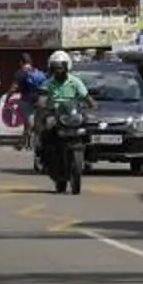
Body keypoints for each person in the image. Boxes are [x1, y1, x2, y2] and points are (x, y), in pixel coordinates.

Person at [37, 50, 93, 196]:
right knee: (46, 133)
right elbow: (42, 99)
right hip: (55, 116)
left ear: (67, 67)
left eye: (61, 67)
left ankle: (88, 159)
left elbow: (87, 97)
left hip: (71, 116)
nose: (58, 70)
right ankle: (45, 159)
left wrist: (92, 106)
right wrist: (44, 106)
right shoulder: (47, 83)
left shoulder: (75, 81)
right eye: (55, 67)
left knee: (87, 130)